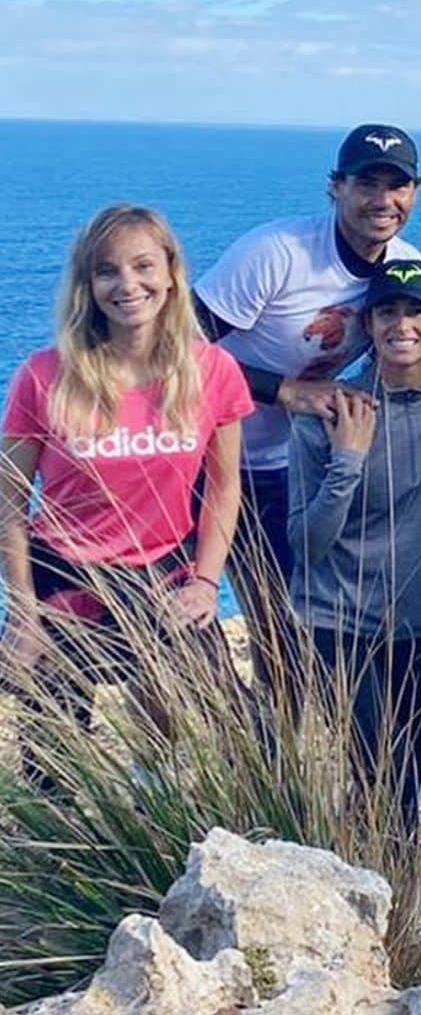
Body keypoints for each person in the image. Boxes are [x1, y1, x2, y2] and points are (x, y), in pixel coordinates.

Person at [0, 204, 253, 766]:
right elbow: (9, 503)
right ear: (88, 285)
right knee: (53, 759)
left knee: (236, 724)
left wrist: (208, 581)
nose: (128, 284)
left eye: (143, 266)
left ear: (170, 273)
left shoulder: (213, 371)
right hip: (65, 578)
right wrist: (22, 614)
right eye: (107, 270)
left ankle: (156, 807)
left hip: (164, 573)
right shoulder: (43, 377)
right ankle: (58, 852)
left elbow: (224, 486)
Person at [193, 124, 421, 686]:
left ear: (415, 192)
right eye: (367, 183)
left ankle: (271, 761)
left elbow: (416, 347)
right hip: (195, 462)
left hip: (280, 470)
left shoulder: (402, 267)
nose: (383, 200)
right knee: (184, 630)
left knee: (287, 633)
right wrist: (286, 392)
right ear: (336, 188)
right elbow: (174, 352)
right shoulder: (278, 255)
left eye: (398, 186)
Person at [286, 259, 421, 832]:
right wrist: (347, 458)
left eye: (417, 310)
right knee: (382, 782)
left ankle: (387, 904)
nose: (404, 323)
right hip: (339, 627)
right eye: (388, 311)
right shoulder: (333, 410)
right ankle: (385, 908)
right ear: (368, 324)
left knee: (401, 787)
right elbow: (307, 543)